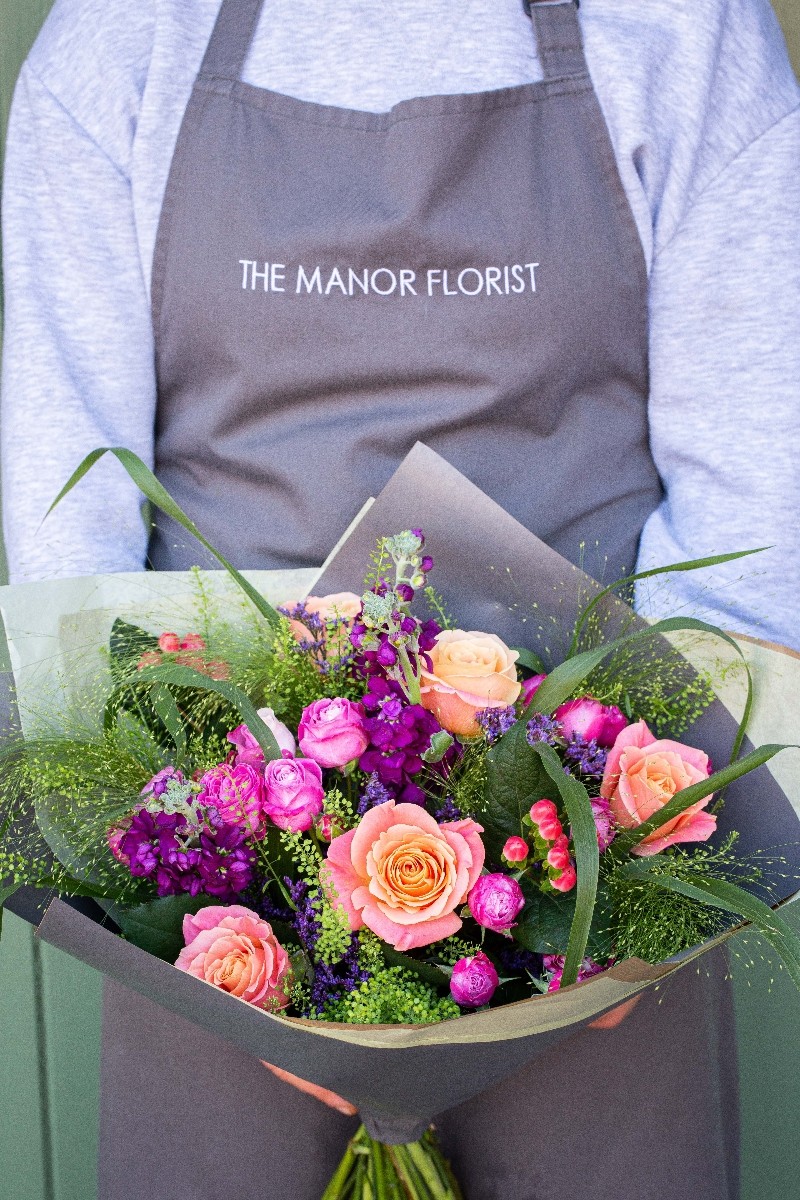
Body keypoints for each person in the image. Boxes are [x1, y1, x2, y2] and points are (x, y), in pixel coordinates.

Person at [1, 1, 798, 1197]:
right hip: (217, 916)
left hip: (590, 880)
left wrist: (636, 886)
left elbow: (753, 489)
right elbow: (70, 515)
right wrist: (220, 891)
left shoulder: (684, 29)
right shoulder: (123, 35)